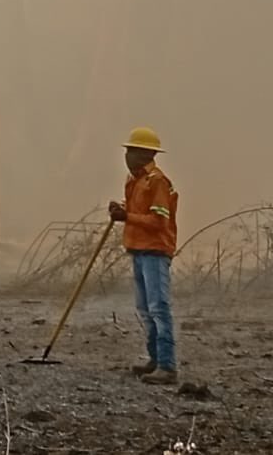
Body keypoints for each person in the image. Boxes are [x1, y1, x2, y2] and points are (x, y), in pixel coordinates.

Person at [108, 126, 179, 385]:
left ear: (147, 154)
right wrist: (122, 209)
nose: (128, 156)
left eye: (133, 151)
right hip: (138, 248)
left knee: (158, 308)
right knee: (144, 309)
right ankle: (154, 360)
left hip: (155, 250)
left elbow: (159, 220)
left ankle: (167, 366)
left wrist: (126, 216)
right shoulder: (134, 180)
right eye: (128, 151)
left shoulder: (157, 181)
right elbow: (140, 209)